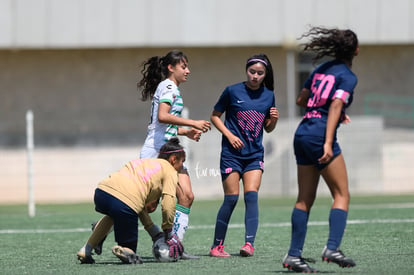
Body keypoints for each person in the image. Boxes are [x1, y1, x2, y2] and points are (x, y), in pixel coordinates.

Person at [281, 27, 359, 273]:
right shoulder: (347, 75)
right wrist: (327, 141)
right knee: (342, 194)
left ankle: (294, 255)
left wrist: (326, 112)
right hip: (319, 136)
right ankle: (332, 248)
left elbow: (301, 101)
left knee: (304, 199)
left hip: (302, 133)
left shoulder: (319, 70)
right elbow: (336, 103)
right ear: (355, 51)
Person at [138, 50, 211, 259]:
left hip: (169, 149)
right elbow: (162, 117)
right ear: (171, 68)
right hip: (157, 151)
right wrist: (193, 122)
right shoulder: (169, 86)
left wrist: (186, 131)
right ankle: (102, 228)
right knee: (143, 203)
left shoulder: (171, 88)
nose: (188, 71)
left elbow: (164, 125)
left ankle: (174, 247)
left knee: (186, 196)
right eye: (184, 67)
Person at [209, 54, 279, 257]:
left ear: (265, 74)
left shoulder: (269, 95)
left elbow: (269, 128)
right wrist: (229, 136)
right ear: (246, 70)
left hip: (254, 154)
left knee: (251, 195)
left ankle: (249, 245)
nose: (255, 76)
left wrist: (274, 120)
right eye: (252, 72)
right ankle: (216, 247)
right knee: (231, 199)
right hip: (231, 155)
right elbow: (215, 116)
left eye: (260, 73)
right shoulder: (232, 91)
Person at [76, 138, 185, 264]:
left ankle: (86, 249)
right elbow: (168, 203)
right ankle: (124, 249)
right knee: (130, 251)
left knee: (115, 213)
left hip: (102, 193)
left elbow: (138, 207)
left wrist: (154, 233)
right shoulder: (170, 171)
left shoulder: (144, 162)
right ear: (173, 159)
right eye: (182, 161)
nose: (182, 166)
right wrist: (168, 231)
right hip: (124, 203)